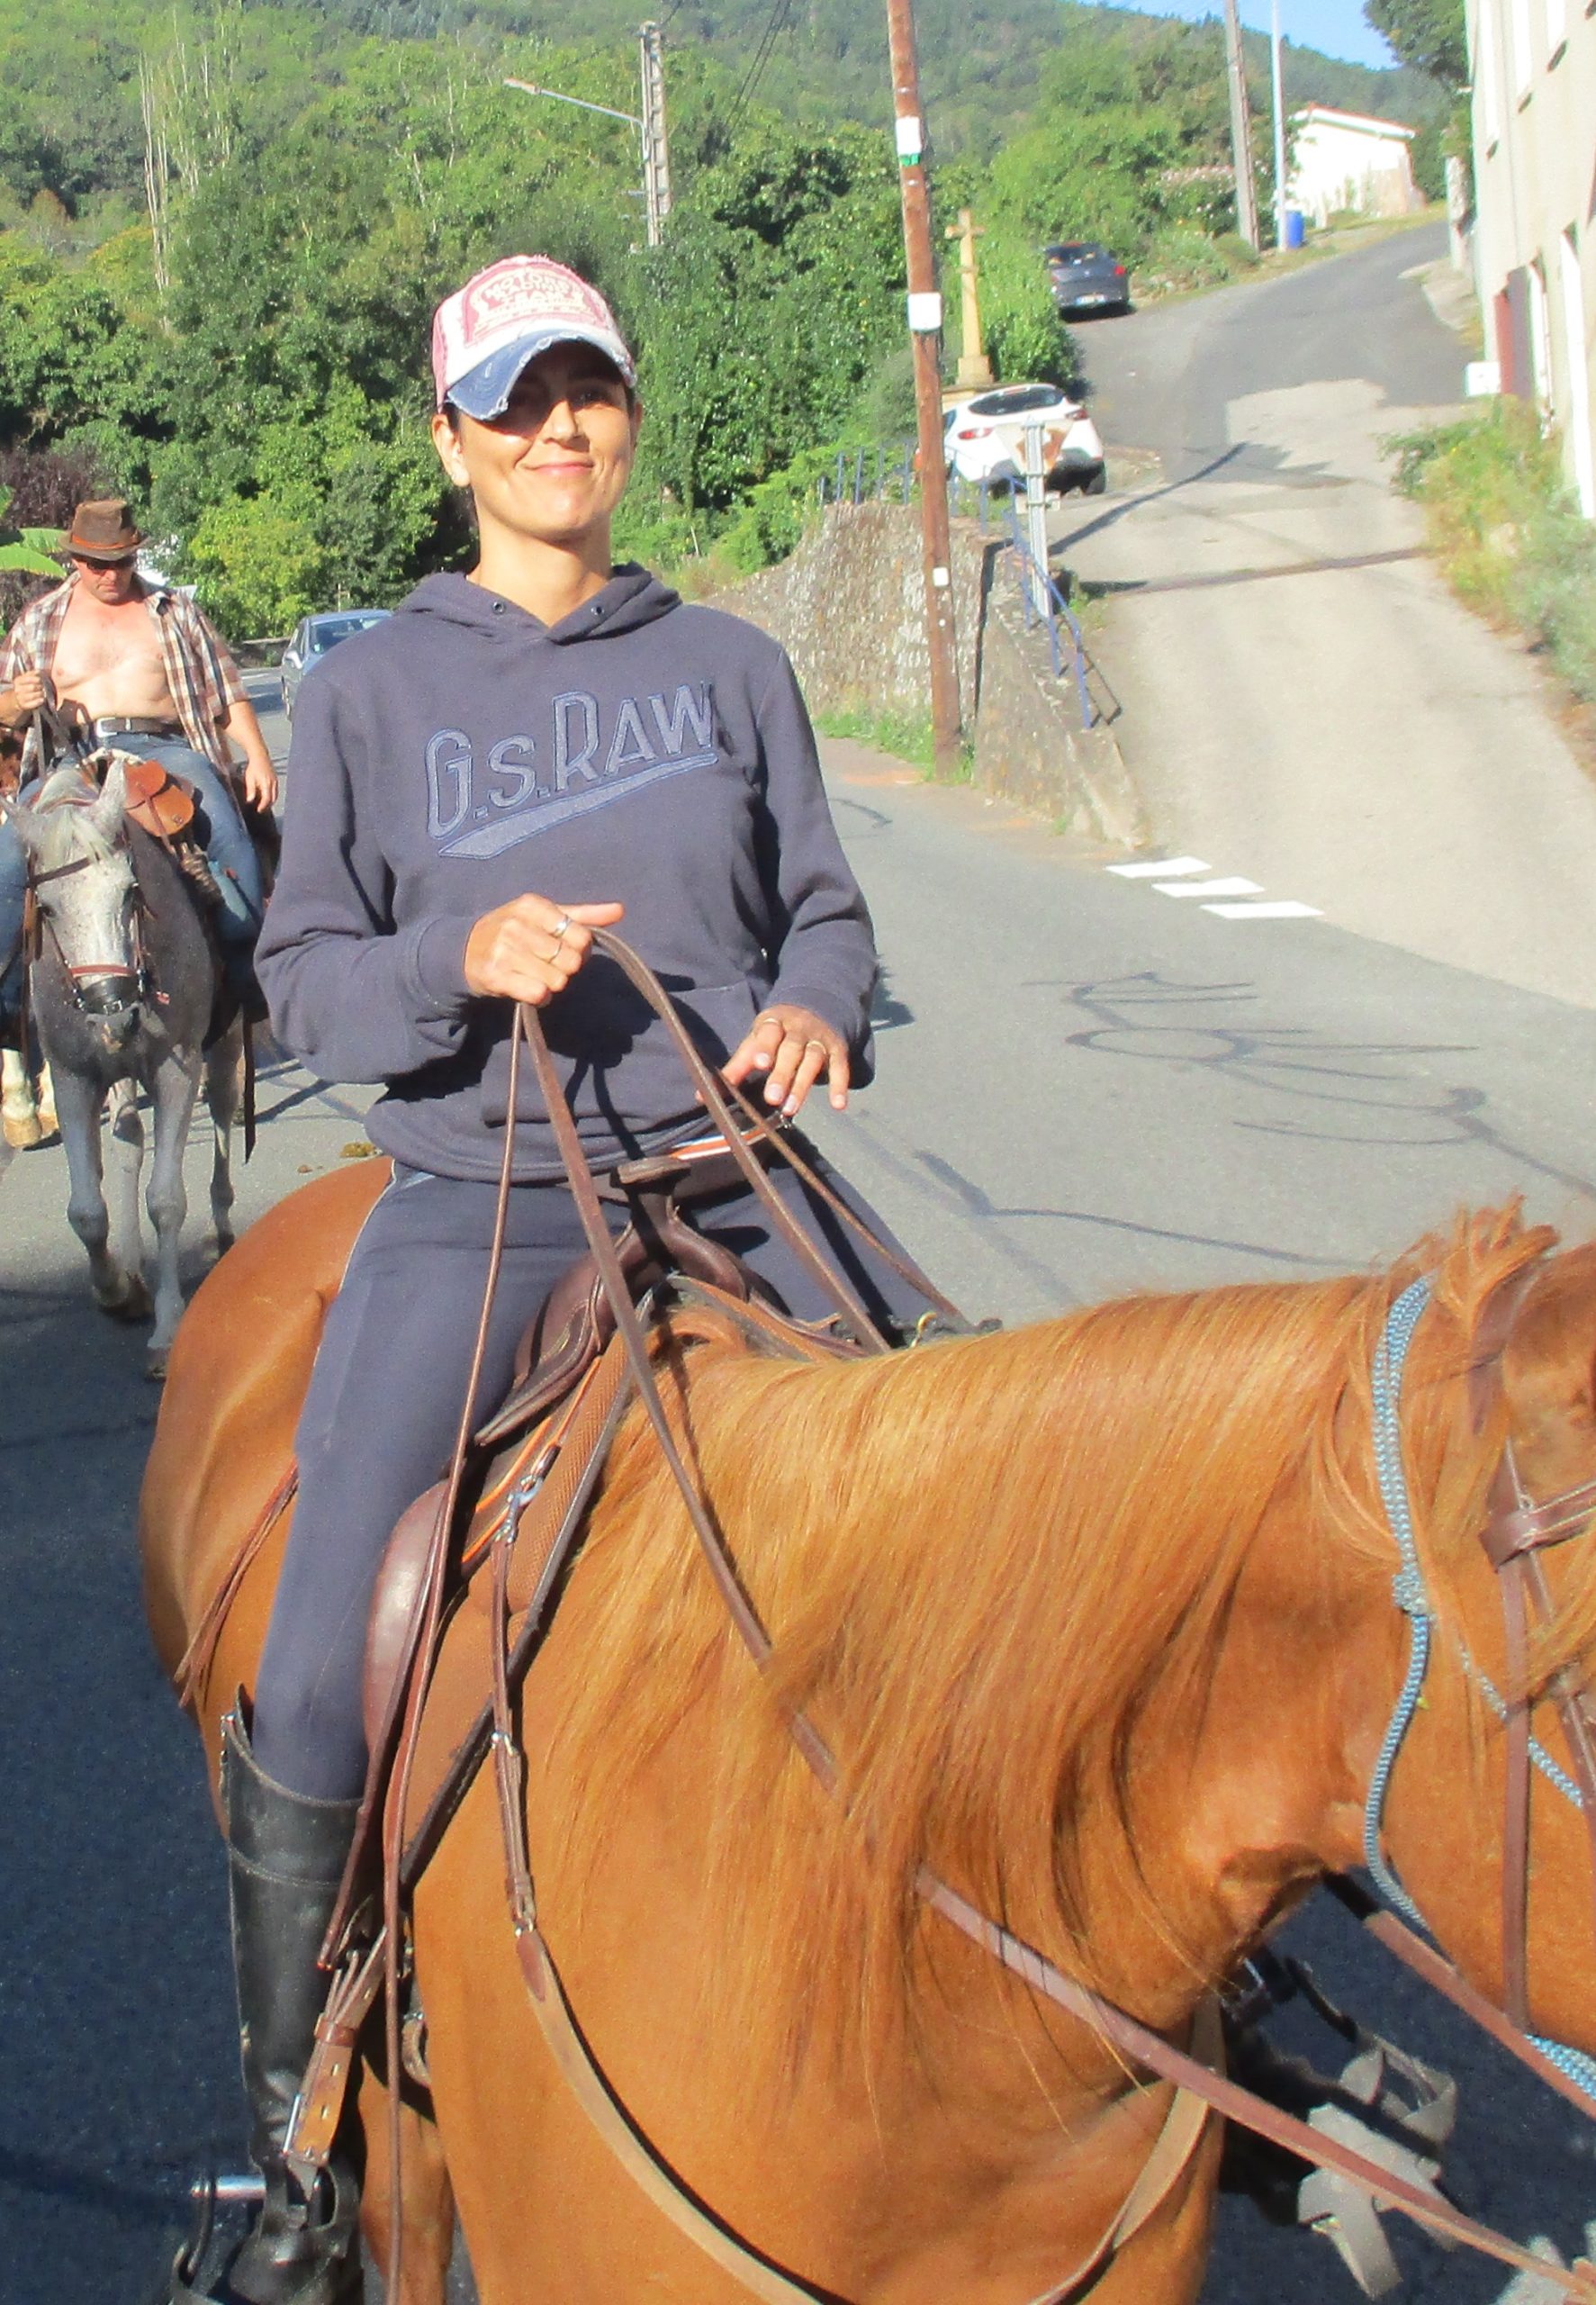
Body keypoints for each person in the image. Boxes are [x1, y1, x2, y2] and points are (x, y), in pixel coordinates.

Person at [176, 254, 937, 2305]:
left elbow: (828, 915)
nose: (558, 431)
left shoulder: (730, 664)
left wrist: (813, 1010)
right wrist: (458, 958)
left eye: (586, 391)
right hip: (477, 1196)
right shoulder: (367, 694)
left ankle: (1184, 1998)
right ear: (453, 442)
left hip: (738, 1172)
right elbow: (309, 976)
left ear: (624, 415)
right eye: (514, 405)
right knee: (332, 1640)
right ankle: (300, 2146)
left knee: (995, 1489)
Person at [0, 499, 276, 1015]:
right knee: (8, 859)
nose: (110, 575)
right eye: (96, 564)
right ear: (75, 561)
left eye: (121, 562)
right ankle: (7, 1001)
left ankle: (247, 974)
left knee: (229, 836)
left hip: (164, 749)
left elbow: (227, 691)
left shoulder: (174, 612)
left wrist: (257, 755)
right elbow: (4, 709)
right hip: (70, 758)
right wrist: (19, 699)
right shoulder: (38, 622)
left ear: (135, 555)